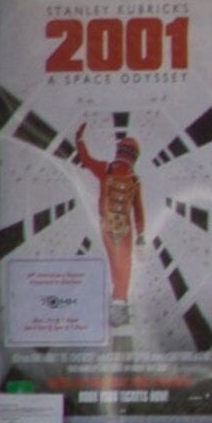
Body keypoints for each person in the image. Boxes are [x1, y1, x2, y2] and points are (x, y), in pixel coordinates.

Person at [65, 123, 146, 319]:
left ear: (119, 152)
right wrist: (141, 235)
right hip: (125, 229)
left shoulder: (105, 169)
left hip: (107, 227)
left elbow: (85, 159)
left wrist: (79, 140)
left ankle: (117, 306)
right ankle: (119, 306)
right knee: (124, 267)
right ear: (134, 157)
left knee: (114, 264)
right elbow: (138, 211)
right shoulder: (134, 180)